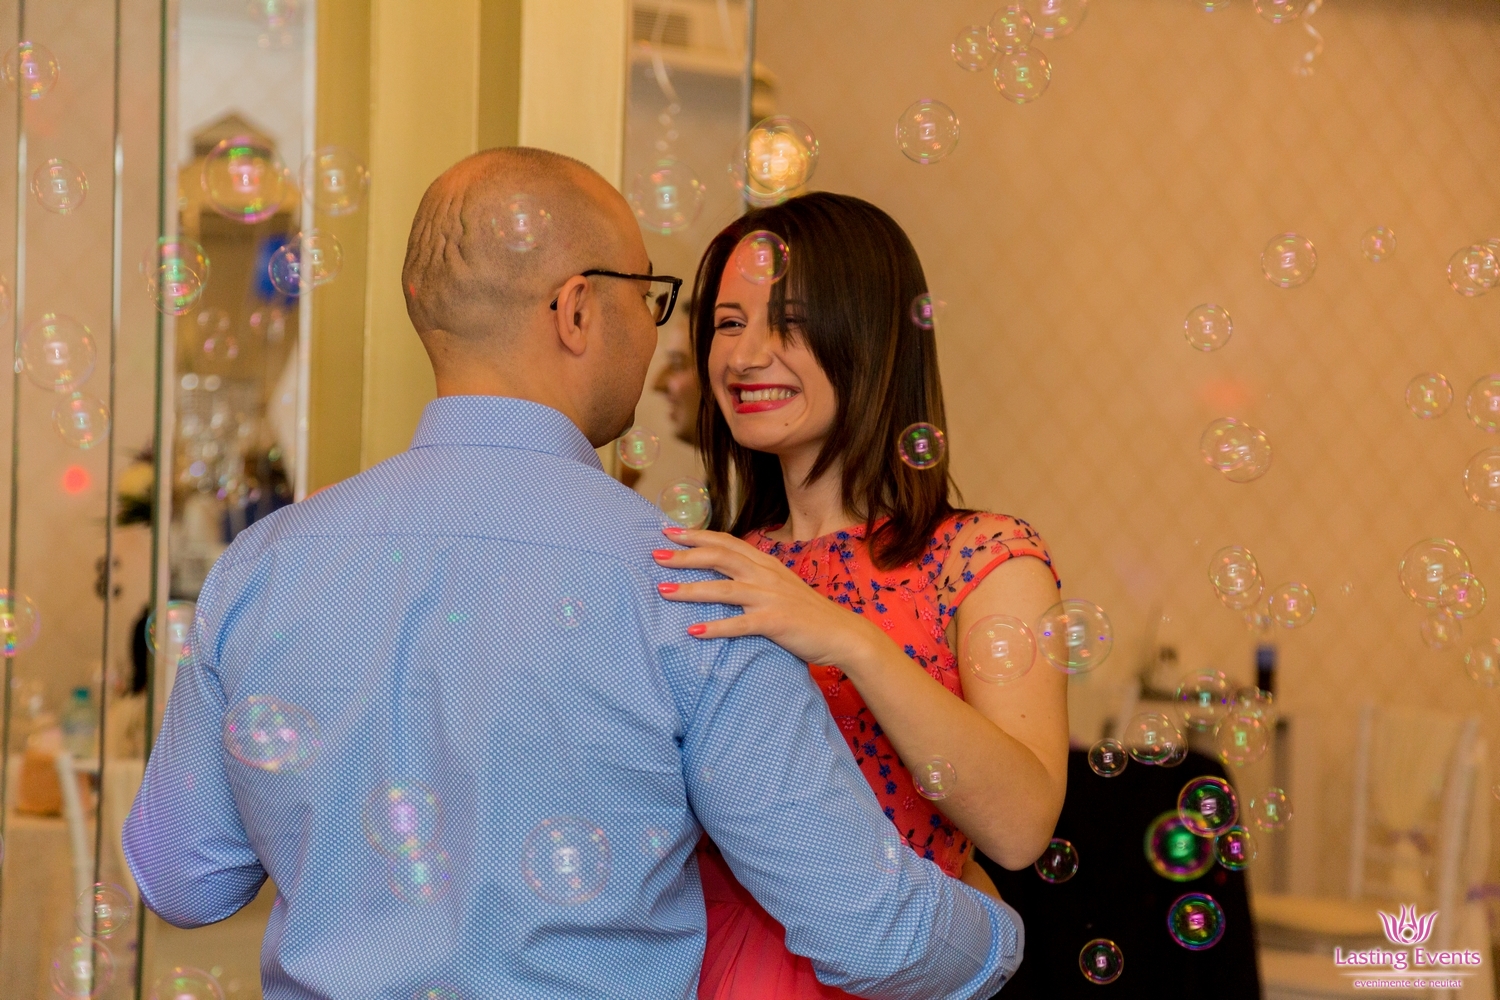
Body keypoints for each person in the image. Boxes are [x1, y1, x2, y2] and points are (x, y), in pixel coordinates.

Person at [123, 150, 1022, 1000]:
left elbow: (181, 879)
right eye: (650, 297)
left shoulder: (266, 563)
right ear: (577, 310)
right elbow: (873, 933)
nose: (664, 336)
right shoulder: (694, 589)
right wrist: (1000, 936)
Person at [650, 192, 1069, 999]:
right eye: (728, 323)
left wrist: (849, 639)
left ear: (872, 338)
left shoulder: (981, 559)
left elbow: (1019, 830)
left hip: (892, 971)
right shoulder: (714, 565)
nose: (745, 356)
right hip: (706, 969)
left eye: (790, 321)